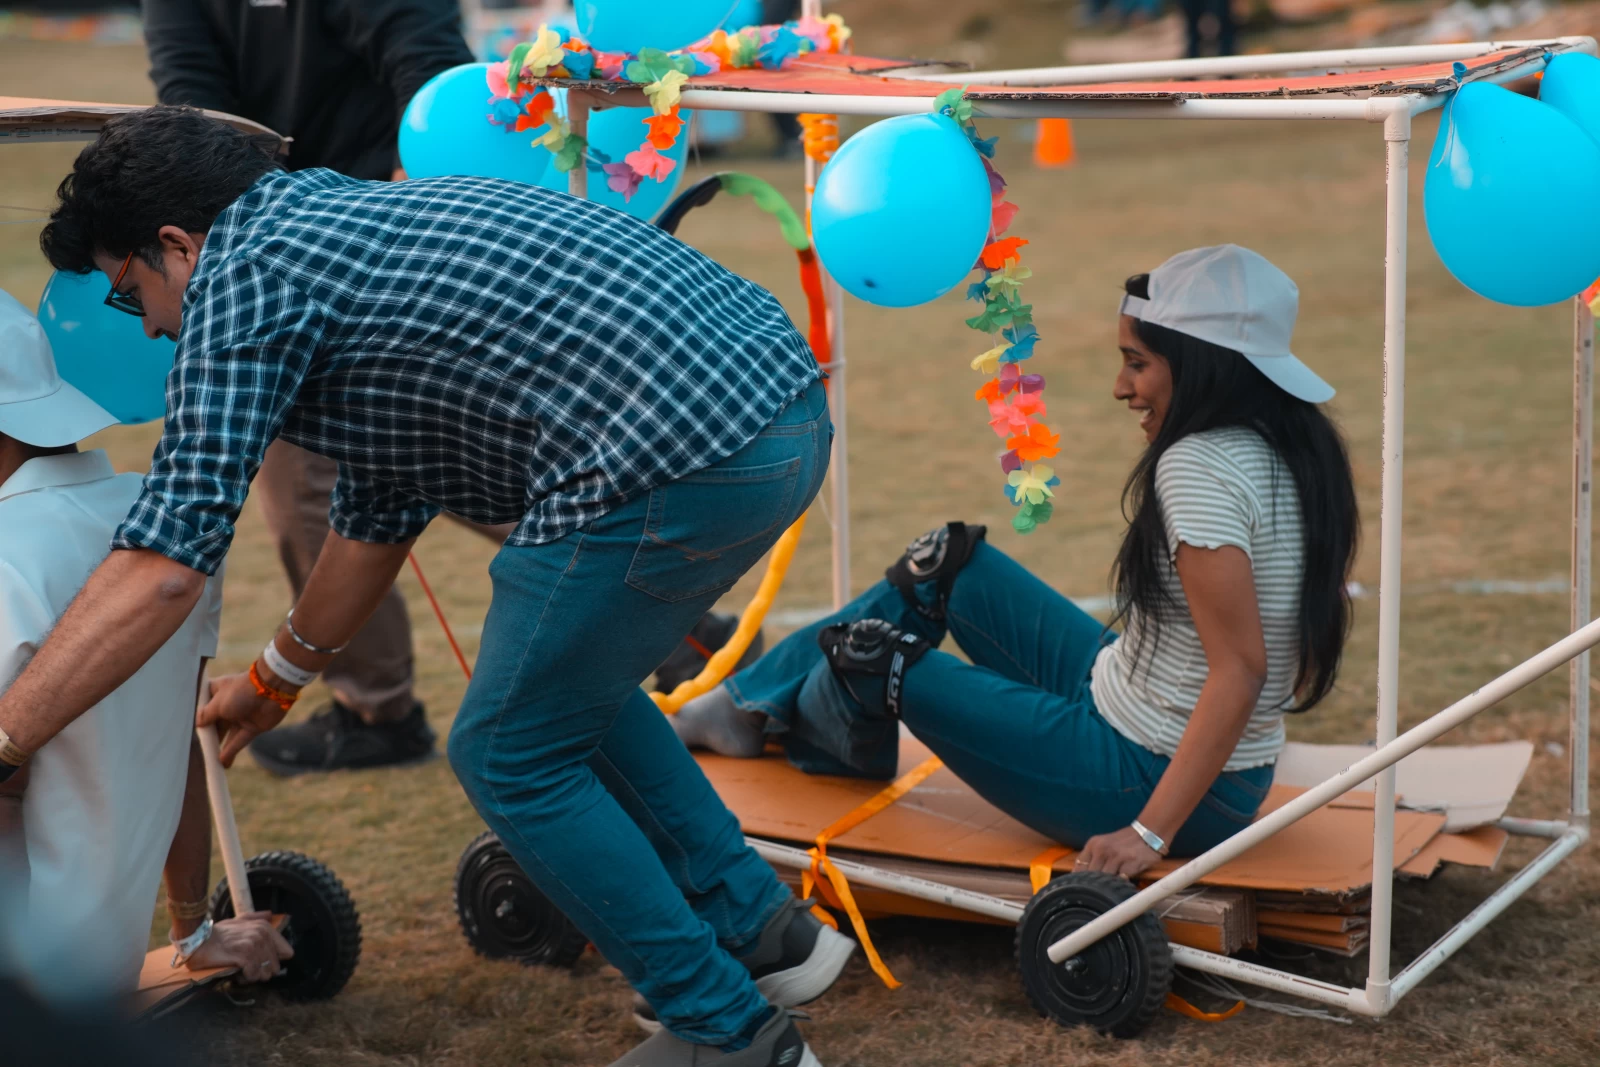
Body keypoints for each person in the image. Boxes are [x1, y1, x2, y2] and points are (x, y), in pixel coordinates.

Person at [17, 106, 848, 1067]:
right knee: (563, 690)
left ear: (176, 245)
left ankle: (729, 1034)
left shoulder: (244, 274)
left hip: (680, 450)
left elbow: (168, 558)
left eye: (133, 294)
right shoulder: (341, 227)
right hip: (775, 403)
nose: (157, 328)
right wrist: (277, 677)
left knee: (507, 751)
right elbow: (374, 513)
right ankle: (763, 932)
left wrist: (9, 736)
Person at [670, 245, 1359, 880]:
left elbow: (1240, 669)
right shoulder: (1292, 440)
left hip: (1149, 775)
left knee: (871, 655)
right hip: (1151, 720)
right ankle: (744, 705)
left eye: (1138, 363)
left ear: (1208, 366)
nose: (1121, 387)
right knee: (947, 559)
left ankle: (796, 726)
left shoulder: (1196, 466)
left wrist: (1146, 834)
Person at [140, 0, 478, 773]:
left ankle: (376, 710)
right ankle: (376, 705)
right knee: (402, 467)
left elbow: (422, 50)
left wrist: (418, 181)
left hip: (389, 221)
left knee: (372, 473)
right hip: (270, 235)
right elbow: (192, 110)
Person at [0, 292, 289, 1005]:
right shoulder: (166, 525)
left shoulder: (8, 559)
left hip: (38, 987)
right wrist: (192, 933)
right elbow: (178, 742)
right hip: (101, 967)